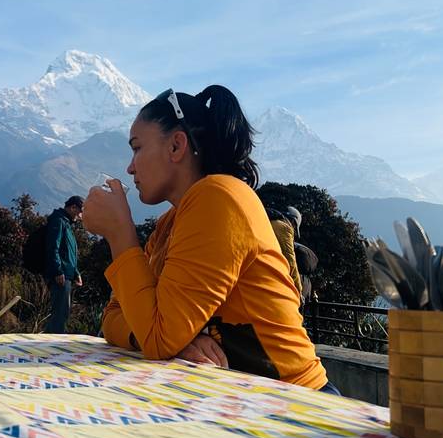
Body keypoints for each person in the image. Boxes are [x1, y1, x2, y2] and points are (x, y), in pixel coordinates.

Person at [83, 85, 335, 392]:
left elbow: (157, 336)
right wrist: (174, 341)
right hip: (242, 398)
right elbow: (113, 318)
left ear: (176, 146)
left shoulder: (219, 198)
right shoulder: (169, 224)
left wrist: (120, 233)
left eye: (137, 148)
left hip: (298, 401)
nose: (130, 167)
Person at [44, 195, 84, 333]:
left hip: (67, 274)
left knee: (63, 311)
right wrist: (58, 271)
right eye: (80, 212)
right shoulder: (59, 221)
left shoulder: (66, 222)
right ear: (73, 207)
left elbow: (68, 253)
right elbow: (52, 247)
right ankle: (53, 344)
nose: (80, 216)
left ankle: (52, 340)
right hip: (60, 275)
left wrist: (76, 272)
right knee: (60, 312)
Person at [286, 206, 319, 308]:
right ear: (293, 222)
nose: (294, 232)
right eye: (295, 228)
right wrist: (299, 291)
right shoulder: (284, 229)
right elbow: (291, 261)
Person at [266, 207, 303, 296]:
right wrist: (299, 289)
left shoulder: (269, 220)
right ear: (293, 222)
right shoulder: (285, 228)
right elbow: (290, 259)